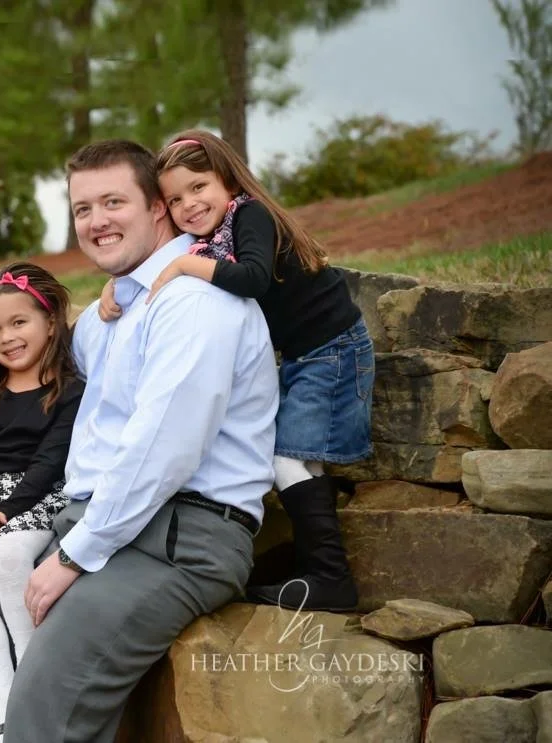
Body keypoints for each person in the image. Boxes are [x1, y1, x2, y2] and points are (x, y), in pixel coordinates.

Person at [0, 139, 278, 743]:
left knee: (41, 703)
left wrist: (72, 555)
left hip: (178, 536)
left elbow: (160, 453)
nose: (96, 221)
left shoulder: (193, 303)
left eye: (114, 201)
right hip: (97, 523)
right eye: (83, 208)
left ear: (158, 209)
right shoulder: (107, 318)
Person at [98, 129, 373, 612]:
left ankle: (331, 578)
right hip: (305, 355)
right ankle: (313, 566)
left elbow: (250, 278)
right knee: (293, 460)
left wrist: (185, 266)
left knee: (287, 461)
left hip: (331, 349)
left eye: (199, 187)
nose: (189, 204)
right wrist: (117, 286)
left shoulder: (250, 215)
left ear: (227, 180)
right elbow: (153, 260)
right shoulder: (209, 236)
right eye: (175, 199)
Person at [0, 262, 84, 743]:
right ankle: (8, 715)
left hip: (37, 501)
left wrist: (0, 520)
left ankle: (33, 692)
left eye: (19, 322)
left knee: (8, 555)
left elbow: (49, 464)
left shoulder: (69, 391)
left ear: (50, 320)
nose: (6, 337)